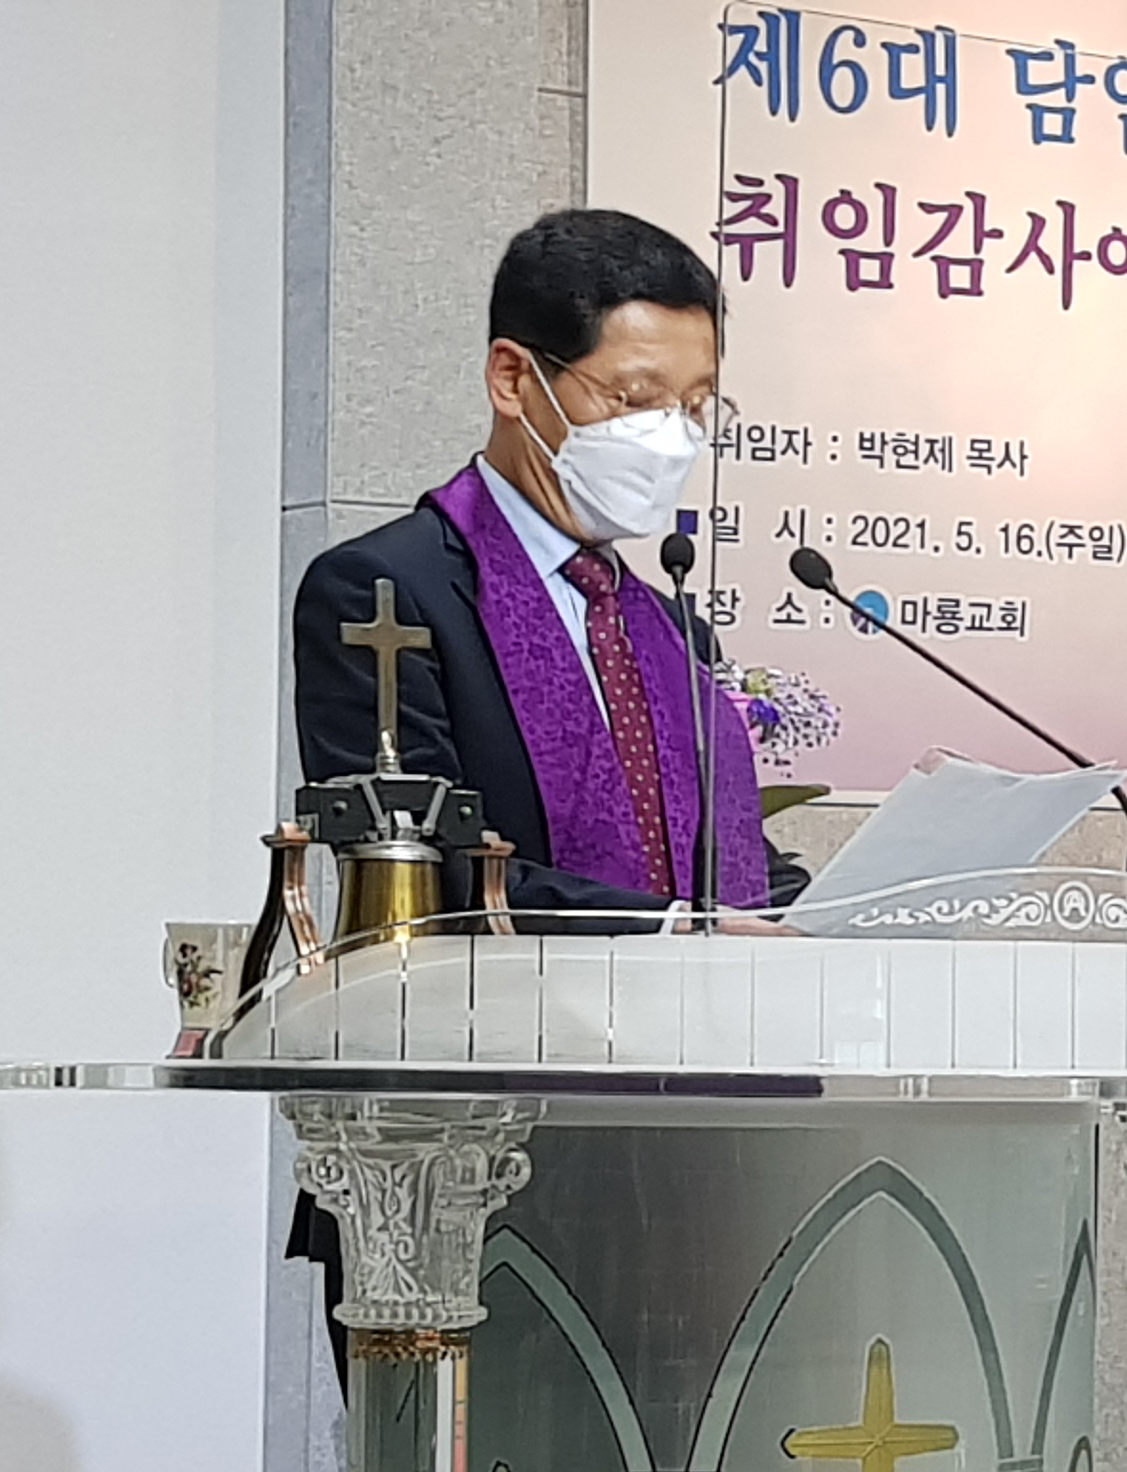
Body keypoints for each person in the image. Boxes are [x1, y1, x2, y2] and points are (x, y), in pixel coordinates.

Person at [286, 208, 809, 1383]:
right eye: (634, 398)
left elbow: (719, 866)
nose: (670, 437)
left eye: (697, 404)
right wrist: (673, 930)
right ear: (514, 378)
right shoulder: (383, 593)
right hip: (459, 1158)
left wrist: (830, 908)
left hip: (689, 1164)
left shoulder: (665, 623)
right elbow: (418, 874)